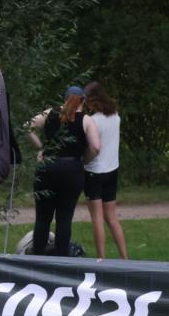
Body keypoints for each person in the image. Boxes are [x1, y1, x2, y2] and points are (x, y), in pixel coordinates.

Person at [26, 85, 101, 256]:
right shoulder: (87, 120)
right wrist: (83, 160)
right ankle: (61, 259)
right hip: (72, 171)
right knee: (64, 218)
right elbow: (96, 147)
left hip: (47, 168)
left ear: (64, 98)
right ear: (83, 100)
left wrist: (40, 148)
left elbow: (27, 126)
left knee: (43, 218)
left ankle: (37, 257)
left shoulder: (49, 113)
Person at [83, 81, 128, 259]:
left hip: (94, 172)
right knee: (112, 217)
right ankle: (125, 258)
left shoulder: (93, 121)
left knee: (97, 217)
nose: (86, 104)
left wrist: (83, 160)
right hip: (112, 171)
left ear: (94, 100)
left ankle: (101, 259)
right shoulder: (116, 117)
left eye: (87, 101)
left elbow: (94, 147)